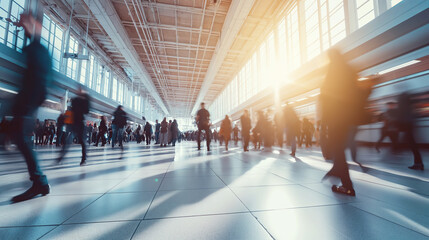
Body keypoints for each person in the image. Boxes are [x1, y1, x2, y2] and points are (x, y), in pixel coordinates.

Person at [10, 12, 52, 203]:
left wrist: (28, 105)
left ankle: (40, 181)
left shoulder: (38, 50)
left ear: (36, 24)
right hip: (26, 102)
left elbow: (40, 81)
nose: (22, 24)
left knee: (23, 140)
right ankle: (39, 181)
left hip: (27, 102)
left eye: (26, 21)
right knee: (21, 139)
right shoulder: (32, 48)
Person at [321, 49, 372, 196]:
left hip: (336, 120)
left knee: (338, 151)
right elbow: (359, 93)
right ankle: (338, 172)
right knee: (339, 151)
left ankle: (347, 185)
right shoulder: (350, 70)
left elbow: (327, 99)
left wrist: (324, 123)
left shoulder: (332, 72)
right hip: (350, 120)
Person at [58, 88, 90, 165]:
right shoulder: (75, 100)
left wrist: (86, 98)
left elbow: (87, 110)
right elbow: (73, 109)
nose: (78, 91)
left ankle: (84, 159)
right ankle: (61, 157)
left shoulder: (85, 100)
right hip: (74, 123)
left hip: (80, 123)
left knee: (82, 141)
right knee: (68, 140)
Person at [396, 93, 424, 170]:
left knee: (412, 145)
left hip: (407, 125)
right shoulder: (409, 106)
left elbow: (401, 116)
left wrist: (400, 126)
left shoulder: (403, 106)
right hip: (410, 124)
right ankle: (418, 163)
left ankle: (419, 164)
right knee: (413, 145)